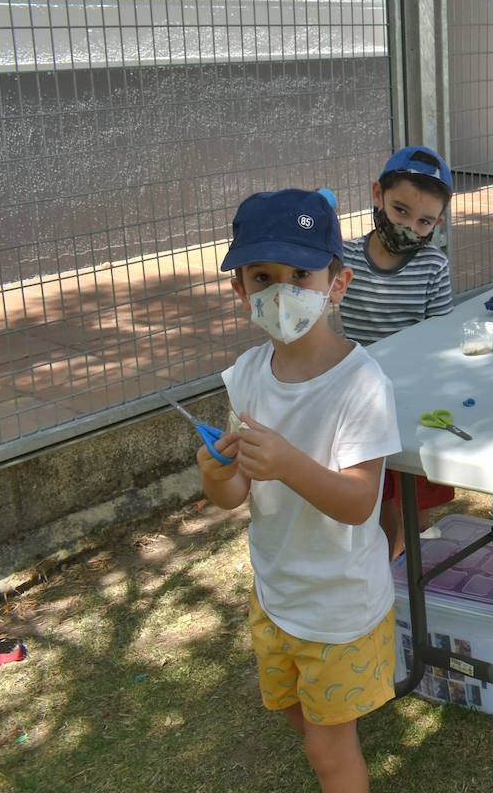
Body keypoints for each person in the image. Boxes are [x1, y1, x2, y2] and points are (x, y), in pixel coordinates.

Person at [198, 188, 402, 793]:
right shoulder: (245, 377)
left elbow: (359, 501)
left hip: (338, 607)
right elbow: (235, 494)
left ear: (336, 285)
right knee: (300, 717)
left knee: (329, 751)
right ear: (240, 290)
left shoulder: (361, 385)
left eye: (300, 274)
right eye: (263, 276)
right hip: (277, 594)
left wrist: (288, 463)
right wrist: (217, 474)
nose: (281, 292)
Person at [340, 145, 455, 559]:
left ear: (438, 222)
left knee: (414, 498)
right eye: (400, 210)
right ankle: (386, 563)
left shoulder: (433, 266)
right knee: (372, 495)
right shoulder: (343, 260)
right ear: (377, 195)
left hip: (411, 400)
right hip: (357, 403)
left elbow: (439, 340)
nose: (409, 226)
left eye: (424, 221)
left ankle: (412, 564)